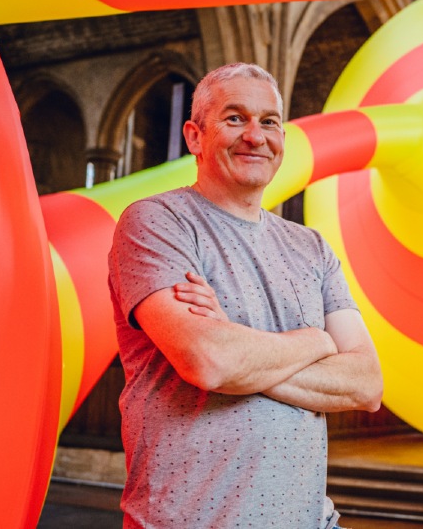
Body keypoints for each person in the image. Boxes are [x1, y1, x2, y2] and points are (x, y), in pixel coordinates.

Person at [107, 62, 383, 529]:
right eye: (235, 118)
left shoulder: (312, 247)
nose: (256, 136)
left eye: (269, 121)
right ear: (195, 136)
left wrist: (238, 349)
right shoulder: (156, 224)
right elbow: (209, 361)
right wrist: (316, 340)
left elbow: (367, 383)